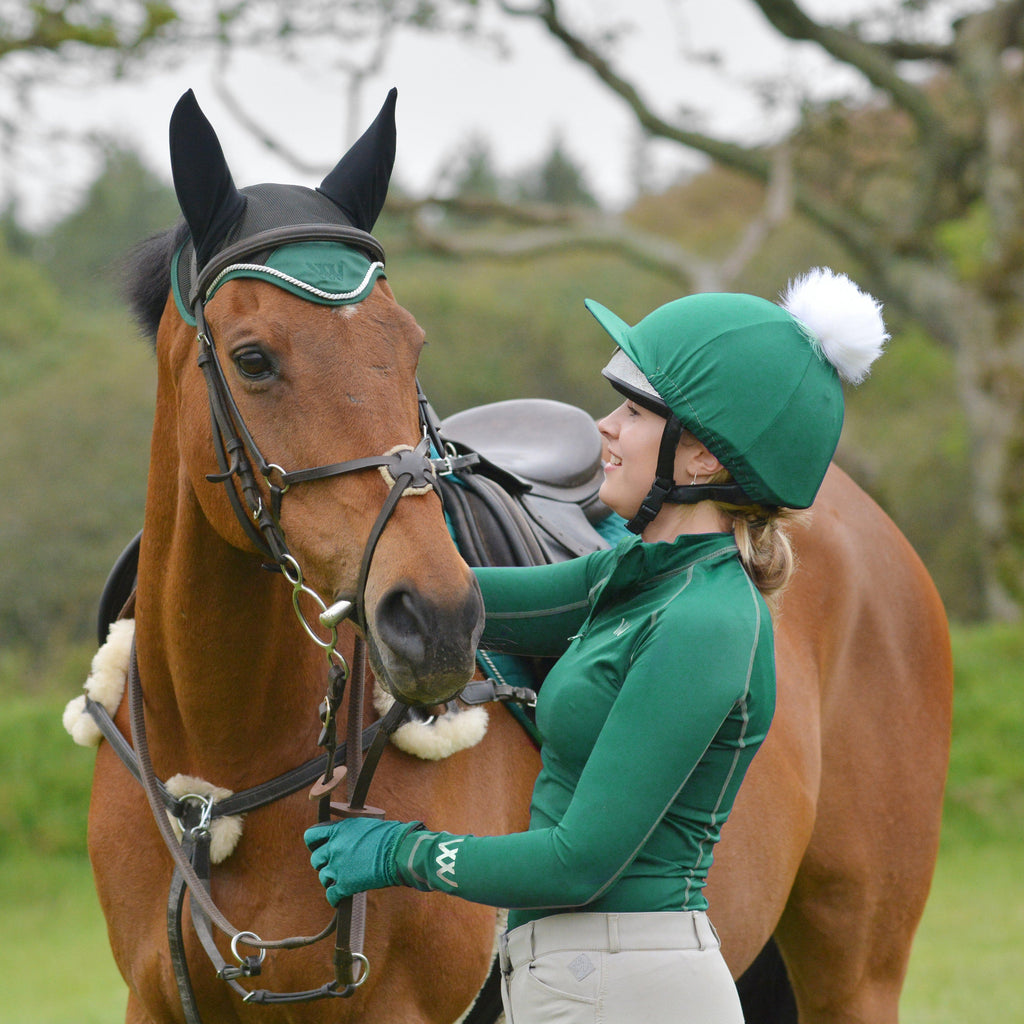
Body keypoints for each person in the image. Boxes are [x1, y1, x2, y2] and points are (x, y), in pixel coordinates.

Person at [305, 266, 888, 1023]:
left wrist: (400, 853)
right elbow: (479, 602)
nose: (603, 428)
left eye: (634, 413)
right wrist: (356, 570)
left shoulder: (703, 622)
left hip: (628, 990)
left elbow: (576, 863)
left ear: (703, 458)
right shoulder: (641, 576)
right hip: (586, 982)